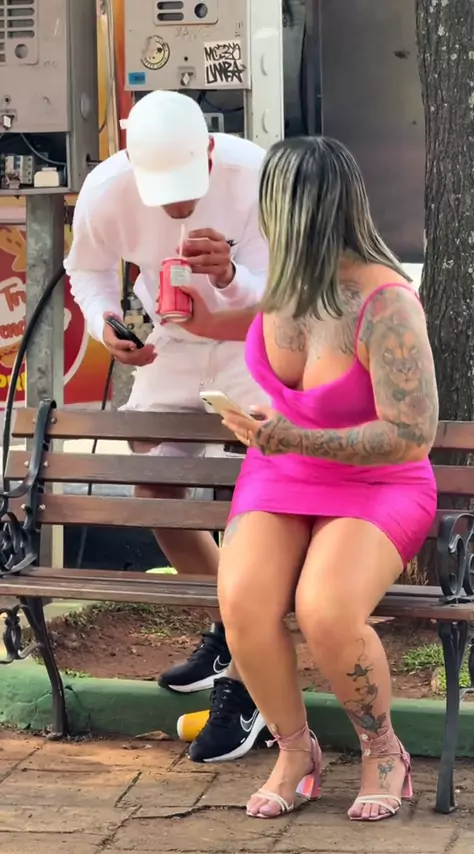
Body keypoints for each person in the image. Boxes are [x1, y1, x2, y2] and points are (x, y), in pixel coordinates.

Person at [183, 137, 439, 820]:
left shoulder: (385, 303)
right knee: (242, 603)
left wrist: (297, 435)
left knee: (325, 609)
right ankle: (296, 751)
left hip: (378, 481)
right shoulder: (286, 288)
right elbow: (294, 393)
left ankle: (383, 750)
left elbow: (413, 433)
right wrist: (267, 422)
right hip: (282, 469)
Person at [63, 89, 268, 763]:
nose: (176, 207)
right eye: (162, 193)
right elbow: (87, 271)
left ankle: (250, 672)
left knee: (263, 503)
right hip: (172, 344)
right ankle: (231, 629)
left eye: (186, 189)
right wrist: (108, 329)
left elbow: (285, 291)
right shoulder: (107, 190)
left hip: (252, 346)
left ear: (208, 151)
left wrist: (230, 275)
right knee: (155, 491)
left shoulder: (252, 172)